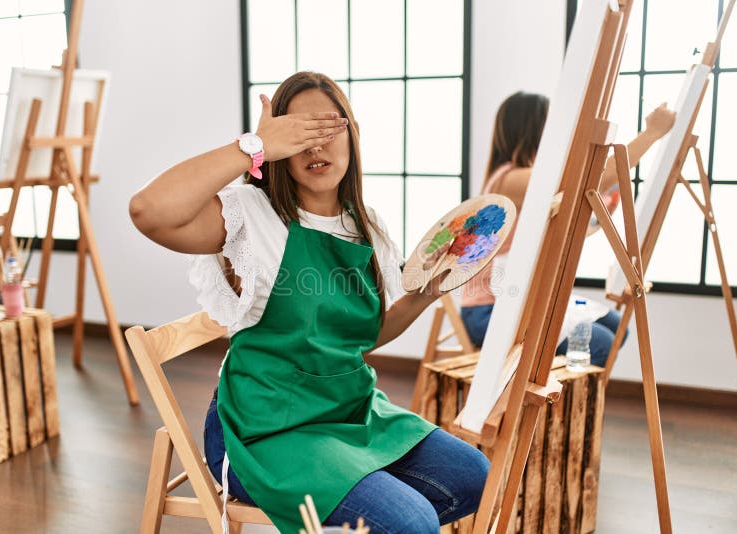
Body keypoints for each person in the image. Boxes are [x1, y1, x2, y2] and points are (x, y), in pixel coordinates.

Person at [129, 71, 489, 534]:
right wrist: (251, 145)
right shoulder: (253, 215)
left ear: (352, 134)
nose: (315, 147)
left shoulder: (367, 223)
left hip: (346, 411)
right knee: (411, 521)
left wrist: (422, 296)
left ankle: (358, 504)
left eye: (326, 129)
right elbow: (148, 210)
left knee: (472, 476)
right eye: (298, 135)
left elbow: (361, 337)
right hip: (264, 431)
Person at [460, 91, 676, 366]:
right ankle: (538, 404)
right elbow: (588, 178)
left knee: (616, 327)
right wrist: (652, 133)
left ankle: (542, 395)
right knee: (601, 343)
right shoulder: (510, 179)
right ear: (534, 131)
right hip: (489, 311)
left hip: (518, 300)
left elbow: (558, 234)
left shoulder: (528, 182)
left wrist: (600, 215)